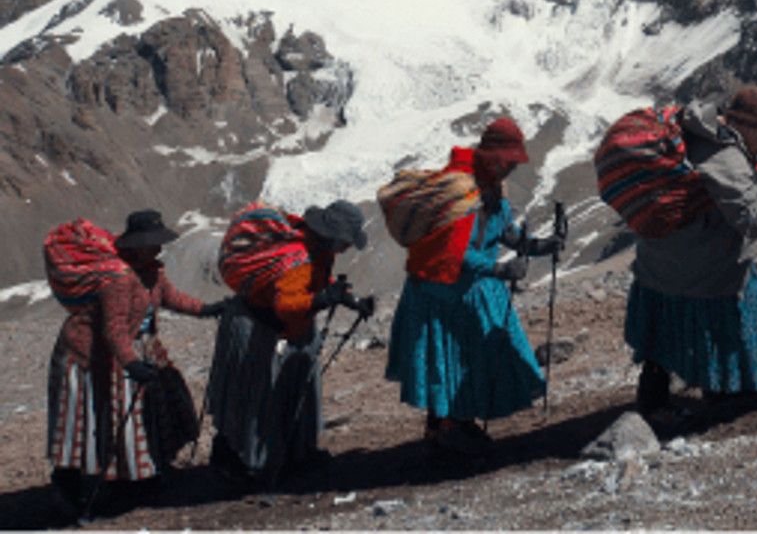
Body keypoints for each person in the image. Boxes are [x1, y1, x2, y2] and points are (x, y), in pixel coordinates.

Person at [624, 86, 757, 413]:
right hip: (704, 270)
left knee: (659, 344)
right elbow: (753, 223)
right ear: (749, 126)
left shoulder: (695, 137)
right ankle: (724, 390)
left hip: (658, 262)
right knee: (733, 309)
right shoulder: (727, 158)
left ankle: (653, 395)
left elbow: (720, 204)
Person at [384, 118, 563, 454]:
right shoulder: (463, 193)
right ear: (493, 156)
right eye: (509, 160)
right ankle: (447, 428)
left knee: (462, 359)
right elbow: (456, 253)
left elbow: (504, 232)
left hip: (468, 289)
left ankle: (455, 425)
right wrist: (499, 268)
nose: (512, 167)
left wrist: (539, 246)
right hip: (445, 292)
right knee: (453, 359)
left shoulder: (493, 190)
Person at [46, 210, 224, 517]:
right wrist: (130, 365)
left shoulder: (151, 270)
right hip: (89, 356)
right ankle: (76, 488)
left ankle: (138, 476)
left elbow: (170, 298)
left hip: (132, 348)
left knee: (154, 405)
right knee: (89, 421)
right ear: (136, 244)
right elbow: (113, 329)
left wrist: (206, 309)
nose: (157, 248)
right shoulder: (118, 276)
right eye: (151, 243)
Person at [207, 199, 372, 486]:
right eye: (345, 242)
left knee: (288, 391)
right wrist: (324, 299)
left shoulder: (316, 251)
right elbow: (287, 305)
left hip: (275, 325)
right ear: (331, 237)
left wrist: (348, 299)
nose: (346, 248)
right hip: (259, 326)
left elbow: (316, 281)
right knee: (255, 395)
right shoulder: (300, 259)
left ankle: (292, 453)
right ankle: (247, 462)